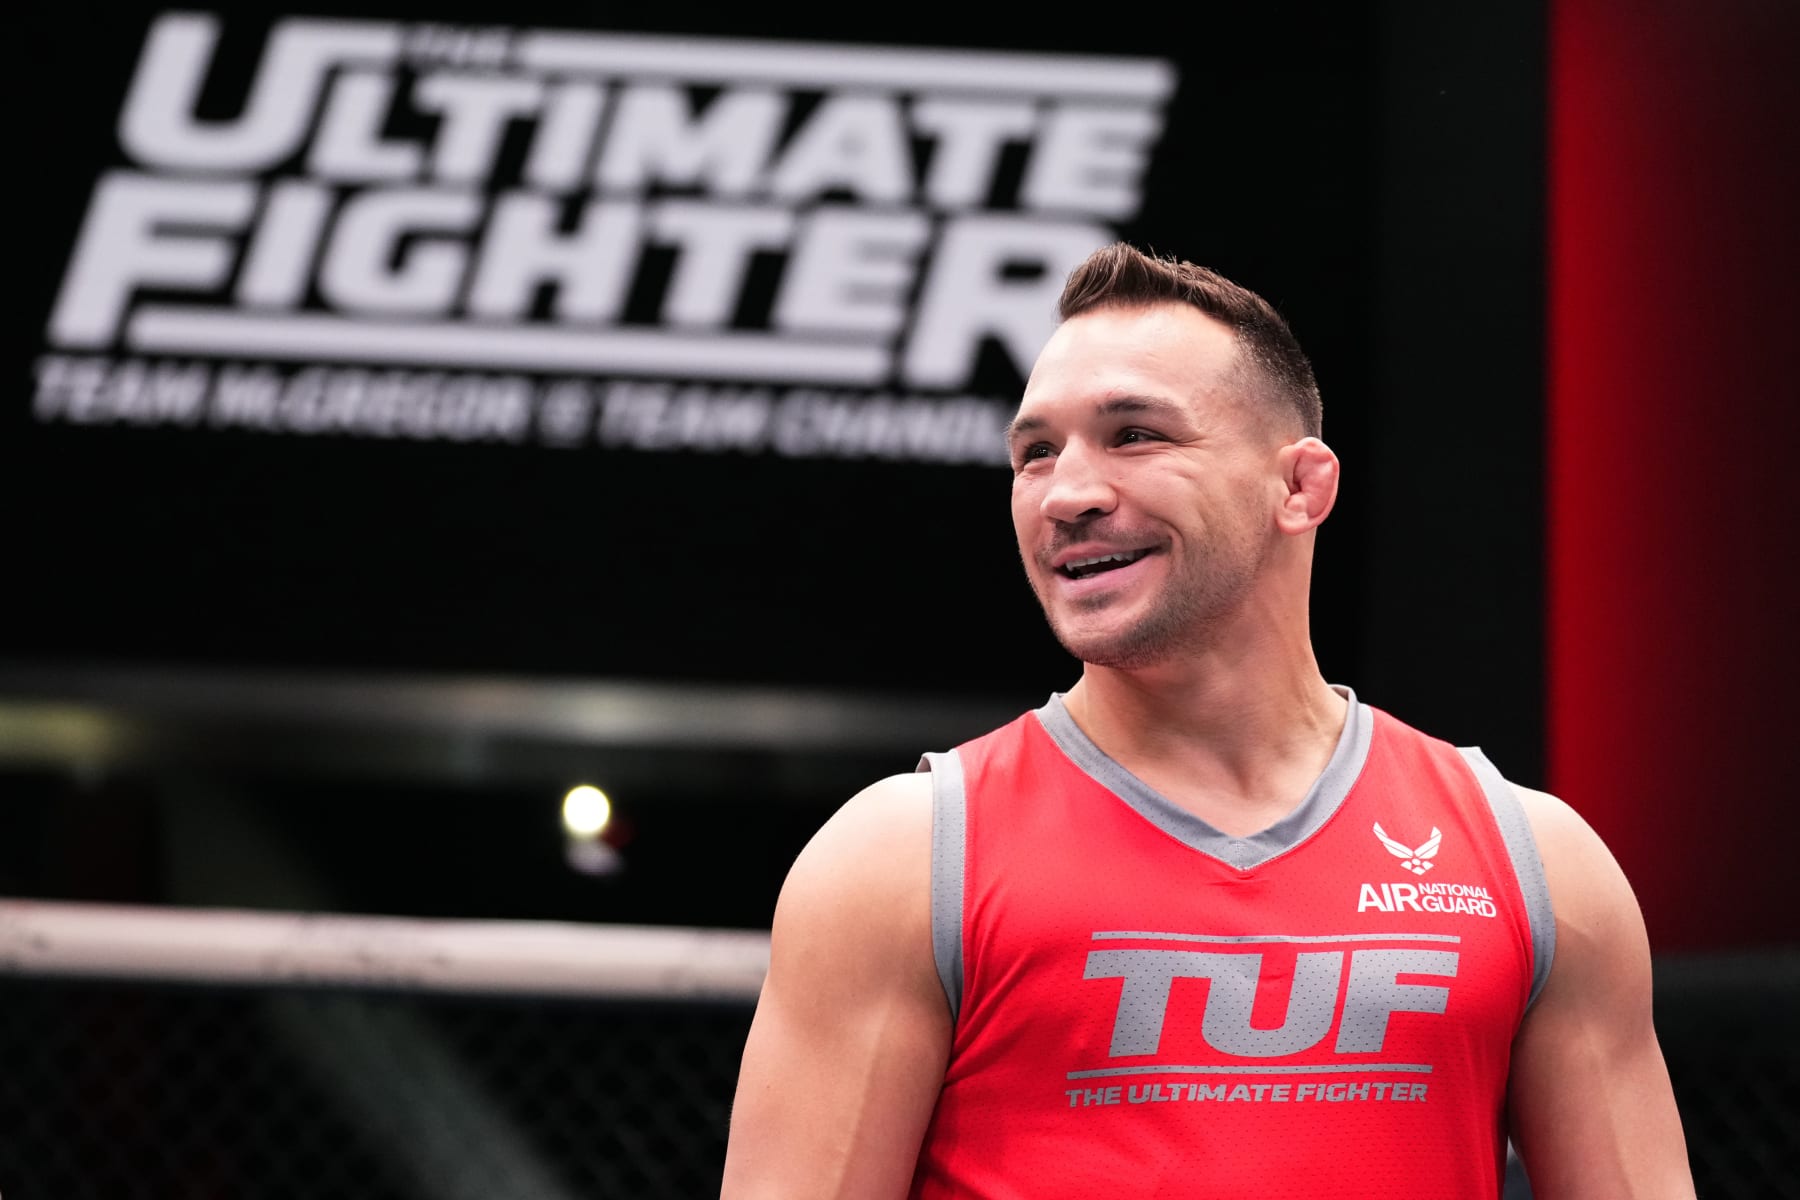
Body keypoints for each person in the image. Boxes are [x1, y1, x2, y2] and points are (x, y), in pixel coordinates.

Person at [719, 242, 1695, 1198]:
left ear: (1300, 486)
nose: (1068, 494)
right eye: (1035, 453)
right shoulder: (899, 860)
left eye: (1134, 435)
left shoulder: (1534, 860)